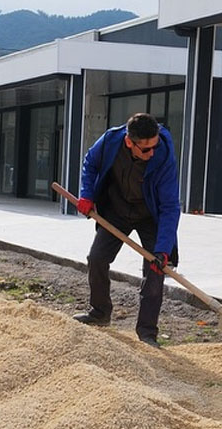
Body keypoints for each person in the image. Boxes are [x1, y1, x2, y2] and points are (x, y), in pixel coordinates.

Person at [72, 112, 181, 348]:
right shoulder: (111, 140)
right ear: (129, 142)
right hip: (117, 209)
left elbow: (171, 207)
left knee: (155, 270)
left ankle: (147, 332)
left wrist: (163, 250)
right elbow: (90, 163)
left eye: (154, 146)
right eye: (145, 149)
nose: (151, 152)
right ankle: (99, 312)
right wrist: (87, 195)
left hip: (150, 215)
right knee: (97, 258)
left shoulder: (163, 156)